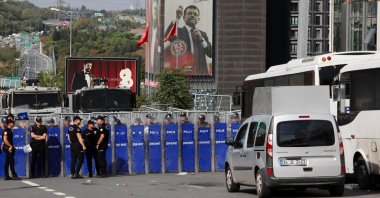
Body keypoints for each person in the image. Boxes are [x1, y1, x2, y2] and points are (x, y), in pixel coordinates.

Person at [167, 5, 212, 75]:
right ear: (184, 18)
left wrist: (201, 39)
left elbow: (211, 53)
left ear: (198, 19)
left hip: (201, 74)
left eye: (195, 14)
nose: (192, 15)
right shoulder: (178, 31)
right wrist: (177, 17)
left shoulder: (203, 34)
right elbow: (168, 35)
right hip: (184, 73)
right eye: (189, 13)